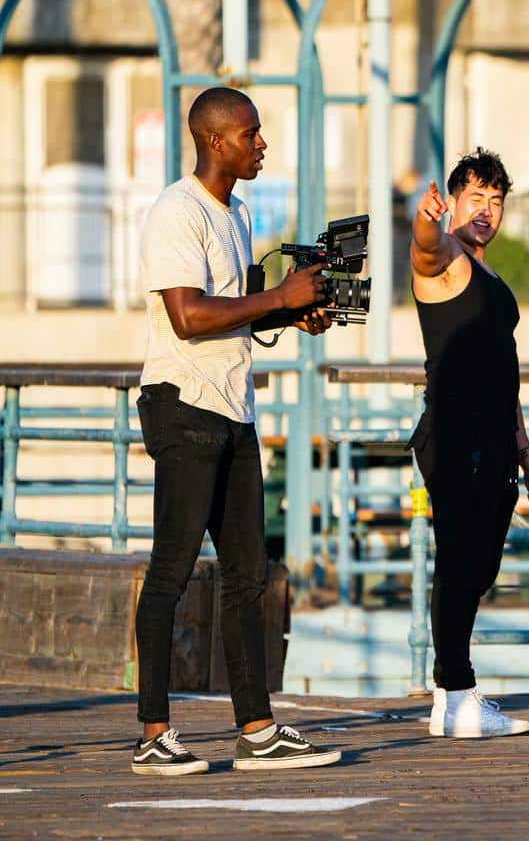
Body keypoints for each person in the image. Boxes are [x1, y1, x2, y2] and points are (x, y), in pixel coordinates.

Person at [133, 86, 341, 776]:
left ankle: (257, 730)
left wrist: (294, 312)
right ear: (216, 140)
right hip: (183, 405)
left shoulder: (240, 212)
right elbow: (189, 315)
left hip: (235, 410)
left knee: (248, 575)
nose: (262, 144)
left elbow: (237, 311)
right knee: (172, 568)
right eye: (251, 135)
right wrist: (278, 296)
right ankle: (153, 733)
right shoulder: (176, 211)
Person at [408, 148, 529, 738]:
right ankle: (460, 692)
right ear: (453, 203)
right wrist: (424, 220)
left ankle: (449, 696)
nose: (487, 211)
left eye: (496, 201)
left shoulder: (491, 276)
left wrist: (528, 455)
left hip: (494, 440)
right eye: (475, 199)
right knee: (460, 563)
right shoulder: (446, 261)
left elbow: (506, 371)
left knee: (481, 565)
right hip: (454, 433)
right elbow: (422, 247)